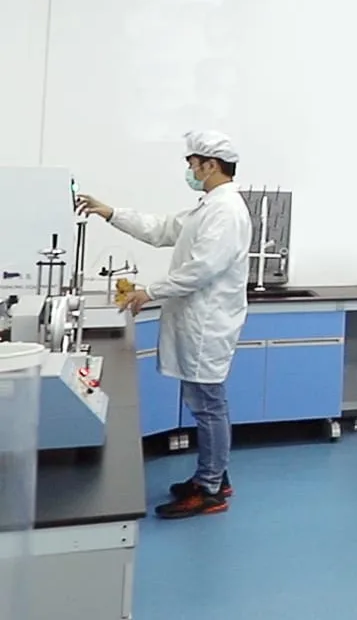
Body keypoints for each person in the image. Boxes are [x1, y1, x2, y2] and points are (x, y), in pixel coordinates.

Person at [78, 131, 253, 519]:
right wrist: (111, 212)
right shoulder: (209, 207)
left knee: (208, 406)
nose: (190, 171)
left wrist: (150, 291)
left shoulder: (226, 211)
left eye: (192, 164)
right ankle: (213, 475)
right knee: (206, 403)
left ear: (210, 165)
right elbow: (161, 229)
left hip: (207, 323)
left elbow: (203, 268)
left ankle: (211, 489)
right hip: (197, 320)